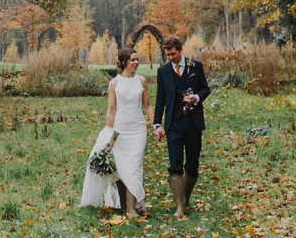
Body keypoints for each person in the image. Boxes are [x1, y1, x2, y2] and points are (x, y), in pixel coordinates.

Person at [79, 47, 149, 216]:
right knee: (121, 168)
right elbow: (111, 110)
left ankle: (132, 209)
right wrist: (109, 134)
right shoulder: (114, 83)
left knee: (135, 168)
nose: (136, 62)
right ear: (124, 62)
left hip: (138, 130)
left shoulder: (142, 81)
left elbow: (147, 105)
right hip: (120, 130)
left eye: (137, 59)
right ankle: (126, 205)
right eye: (133, 59)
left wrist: (157, 126)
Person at [151, 33, 209, 218]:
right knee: (175, 164)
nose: (171, 58)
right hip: (173, 123)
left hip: (193, 122)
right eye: (167, 55)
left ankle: (185, 199)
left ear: (181, 50)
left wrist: (197, 97)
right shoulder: (163, 71)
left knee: (192, 165)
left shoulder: (195, 66)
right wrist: (157, 124)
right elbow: (160, 99)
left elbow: (206, 88)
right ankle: (179, 207)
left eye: (173, 54)